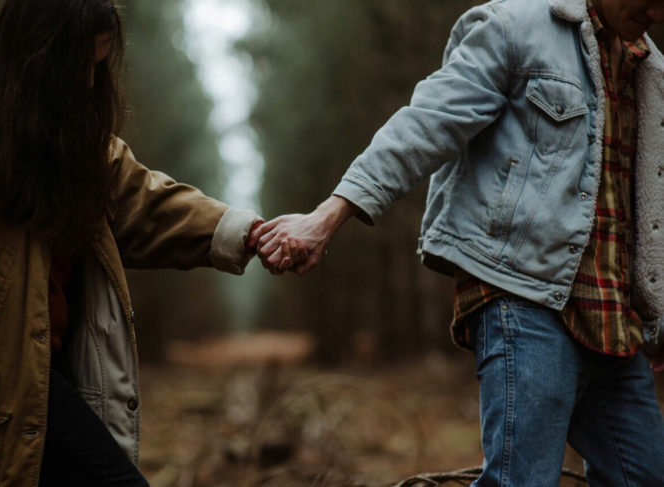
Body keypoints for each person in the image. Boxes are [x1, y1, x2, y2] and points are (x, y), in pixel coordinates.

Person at [256, 0, 664, 485]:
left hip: (615, 321)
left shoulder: (651, 68)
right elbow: (426, 123)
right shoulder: (515, 28)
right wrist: (328, 215)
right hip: (525, 299)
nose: (657, 13)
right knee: (522, 480)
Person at [0, 1, 263, 486]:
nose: (90, 81)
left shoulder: (72, 140)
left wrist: (251, 233)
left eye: (98, 66)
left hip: (52, 370)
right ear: (40, 57)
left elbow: (147, 204)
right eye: (82, 65)